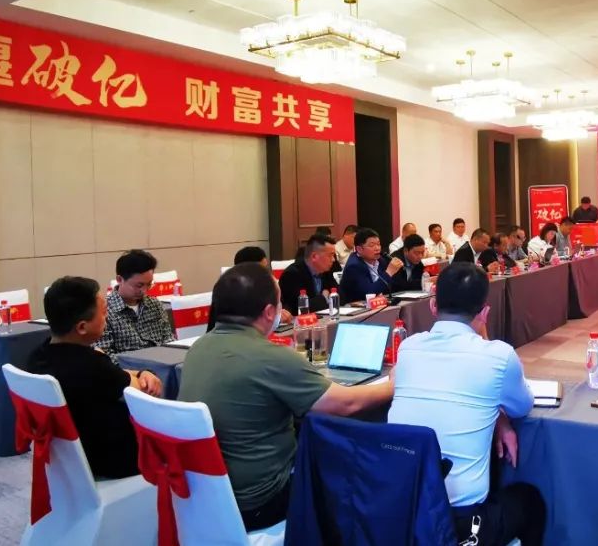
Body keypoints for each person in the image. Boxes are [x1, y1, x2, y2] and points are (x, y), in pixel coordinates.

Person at [179, 264, 394, 532]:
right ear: (270, 312)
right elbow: (346, 403)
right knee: (356, 468)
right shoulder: (270, 357)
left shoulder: (198, 348)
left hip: (206, 495)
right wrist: (393, 385)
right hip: (264, 499)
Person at [388, 263, 545, 546]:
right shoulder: (499, 356)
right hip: (460, 523)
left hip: (403, 511)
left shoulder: (408, 347)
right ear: (484, 312)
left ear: (433, 306)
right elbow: (522, 406)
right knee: (529, 500)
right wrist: (501, 415)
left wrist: (497, 417)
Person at [27, 276, 163, 479]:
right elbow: (141, 388)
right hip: (113, 460)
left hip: (67, 458)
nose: (107, 318)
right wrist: (145, 374)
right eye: (104, 313)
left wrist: (138, 372)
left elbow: (119, 375)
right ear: (82, 327)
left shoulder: (38, 356)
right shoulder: (91, 365)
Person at [96, 249, 174, 355]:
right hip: (126, 366)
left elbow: (169, 341)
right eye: (139, 285)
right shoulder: (104, 311)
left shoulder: (155, 305)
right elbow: (105, 355)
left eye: (149, 284)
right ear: (119, 279)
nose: (144, 291)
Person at [339, 228, 405, 303]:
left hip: (378, 304)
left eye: (378, 244)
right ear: (359, 249)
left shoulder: (381, 260)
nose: (377, 248)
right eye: (372, 245)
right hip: (356, 307)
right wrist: (389, 272)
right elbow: (369, 293)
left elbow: (393, 286)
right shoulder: (354, 266)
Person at [279, 234, 340, 315]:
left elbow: (339, 296)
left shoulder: (326, 271)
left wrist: (321, 299)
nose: (333, 260)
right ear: (314, 256)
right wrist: (324, 297)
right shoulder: (292, 274)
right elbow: (301, 308)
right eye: (330, 255)